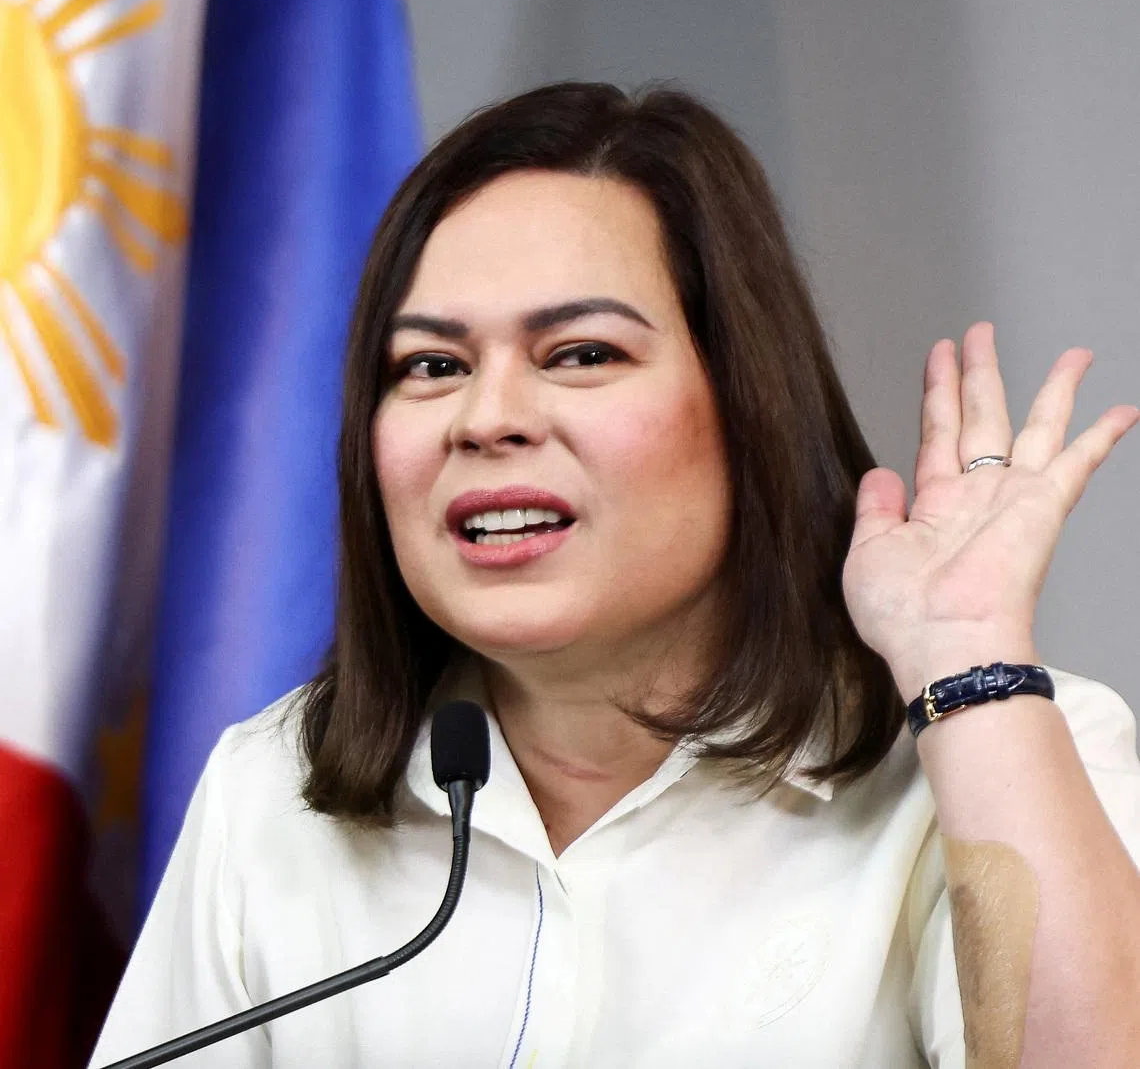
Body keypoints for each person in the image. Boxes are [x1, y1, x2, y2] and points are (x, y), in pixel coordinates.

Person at [90, 82, 1140, 1068]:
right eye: (431, 366)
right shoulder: (273, 791)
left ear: (746, 406)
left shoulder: (1000, 751)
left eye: (580, 354)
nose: (487, 417)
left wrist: (965, 660)